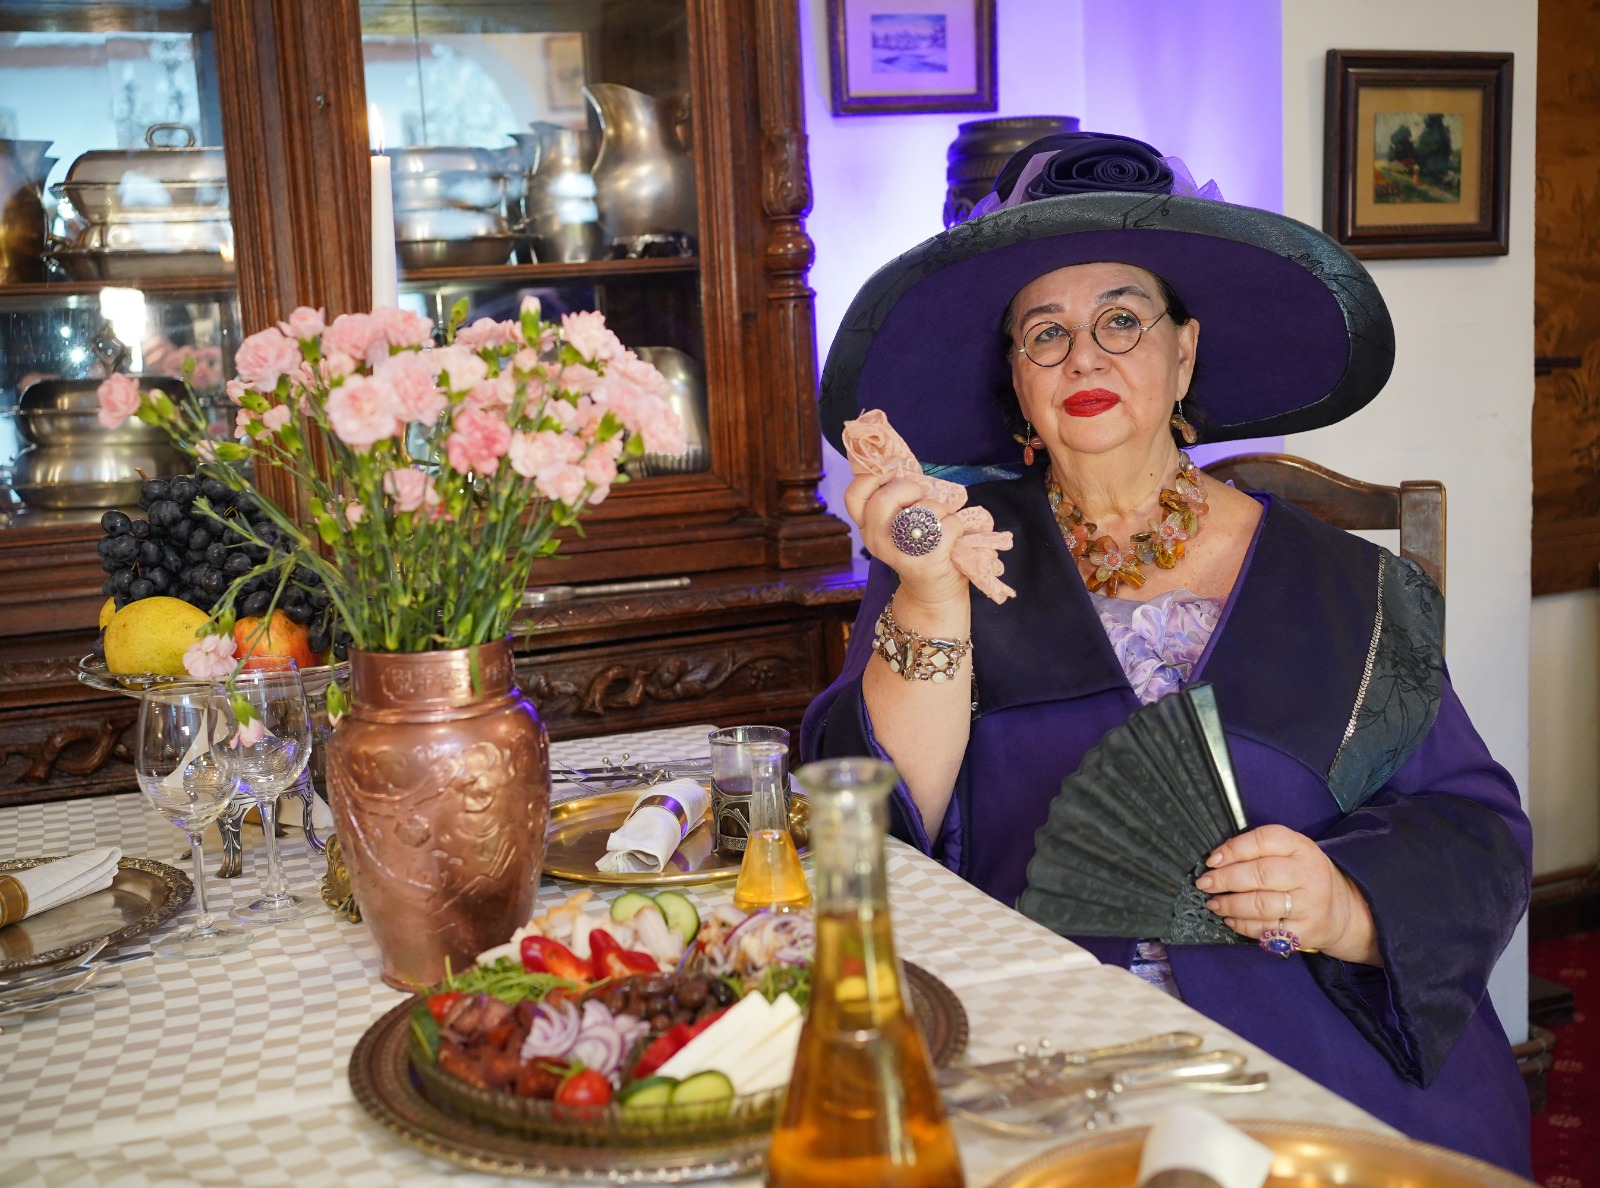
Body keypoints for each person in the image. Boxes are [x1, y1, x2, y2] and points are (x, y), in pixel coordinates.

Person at [802, 132, 1532, 1173]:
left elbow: (1475, 829)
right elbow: (868, 823)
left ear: (1182, 352)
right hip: (1042, 1040)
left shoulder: (1349, 583)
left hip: (1313, 1036)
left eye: (1121, 321)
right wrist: (927, 597)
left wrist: (1343, 900)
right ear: (1015, 380)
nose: (1083, 357)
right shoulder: (950, 553)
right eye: (1044, 333)